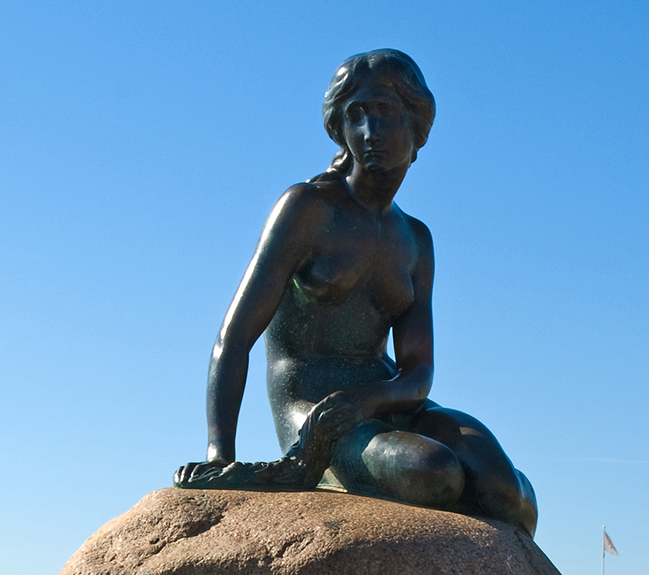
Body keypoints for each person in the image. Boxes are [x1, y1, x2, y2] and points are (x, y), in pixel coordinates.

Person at [175, 49, 537, 535]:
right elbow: (233, 337)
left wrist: (372, 399)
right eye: (356, 115)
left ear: (416, 125)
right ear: (339, 128)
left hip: (387, 401)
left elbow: (419, 370)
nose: (369, 131)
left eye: (384, 113)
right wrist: (220, 455)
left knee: (507, 493)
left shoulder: (415, 239)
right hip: (317, 412)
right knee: (435, 473)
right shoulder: (308, 208)